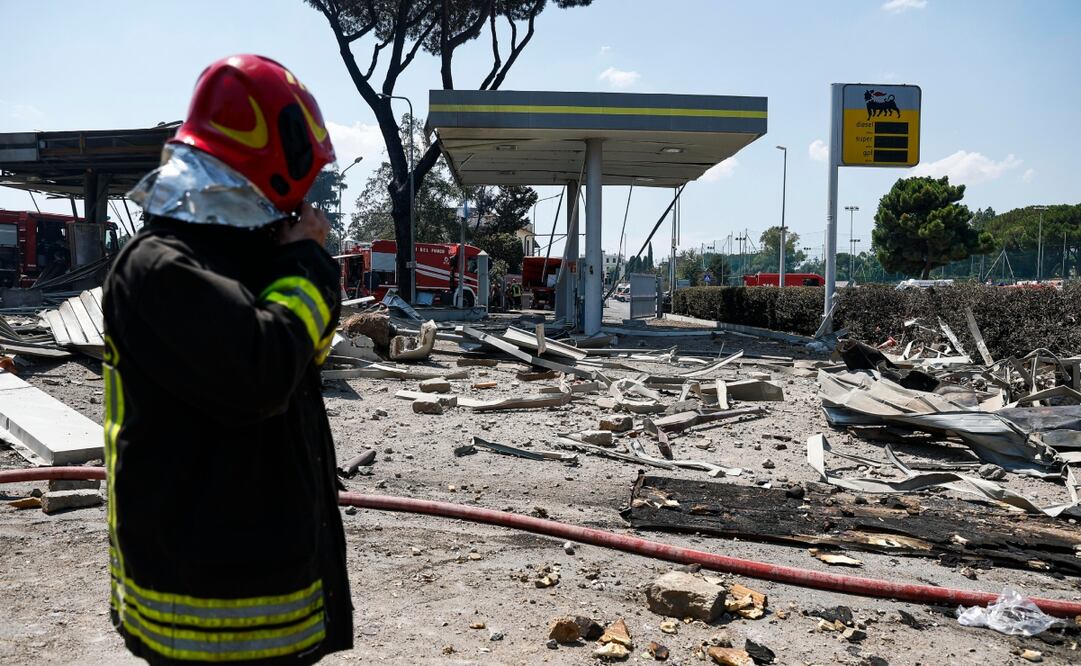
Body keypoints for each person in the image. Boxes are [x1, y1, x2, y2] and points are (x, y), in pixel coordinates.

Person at [102, 55, 351, 665]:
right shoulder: (160, 269)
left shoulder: (239, 263)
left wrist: (293, 266)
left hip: (259, 588)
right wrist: (307, 265)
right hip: (209, 615)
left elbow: (302, 354)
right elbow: (264, 371)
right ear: (269, 170)